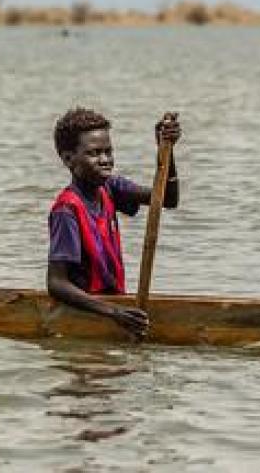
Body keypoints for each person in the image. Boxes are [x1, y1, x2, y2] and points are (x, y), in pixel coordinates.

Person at [46, 108, 182, 337]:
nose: (105, 160)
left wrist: (166, 151)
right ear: (68, 158)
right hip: (89, 312)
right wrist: (114, 313)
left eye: (108, 152)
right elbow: (56, 284)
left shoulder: (110, 188)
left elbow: (167, 199)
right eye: (94, 153)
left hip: (113, 306)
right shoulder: (67, 209)